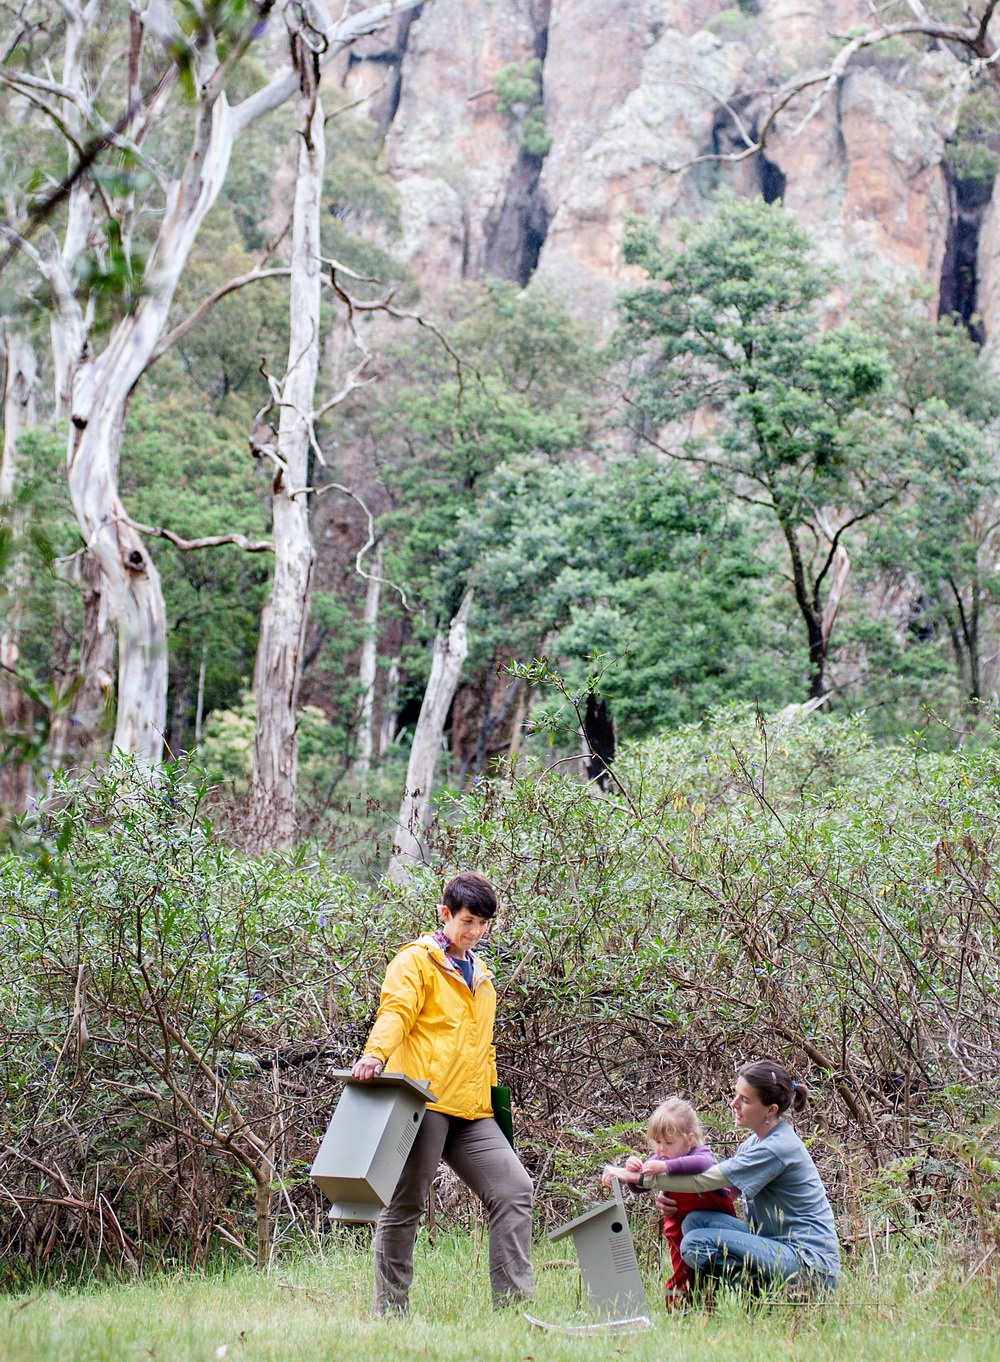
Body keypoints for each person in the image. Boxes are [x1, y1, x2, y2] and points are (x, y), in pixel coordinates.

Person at [351, 871, 535, 1315]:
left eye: (483, 923)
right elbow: (396, 1010)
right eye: (467, 921)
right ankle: (390, 1313)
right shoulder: (416, 961)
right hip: (424, 1102)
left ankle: (514, 1312)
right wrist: (375, 1055)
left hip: (473, 1108)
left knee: (514, 1190)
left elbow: (481, 1046)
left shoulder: (482, 973)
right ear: (445, 914)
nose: (474, 931)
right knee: (406, 1203)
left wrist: (493, 1102)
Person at [606, 1062, 840, 1294]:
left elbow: (703, 1180)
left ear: (771, 1110)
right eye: (736, 1095)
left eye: (745, 1100)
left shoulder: (777, 1148)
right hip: (775, 1246)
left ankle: (764, 1297)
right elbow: (722, 1193)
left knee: (695, 1243)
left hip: (809, 1264)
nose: (734, 1104)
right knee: (695, 1221)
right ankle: (742, 1294)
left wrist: (634, 1176)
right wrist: (668, 1197)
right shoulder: (752, 1143)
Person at [602, 1096, 737, 1305]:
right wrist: (633, 1170)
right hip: (676, 1227)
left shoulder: (700, 1154)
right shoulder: (658, 1159)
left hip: (713, 1225)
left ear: (689, 1140)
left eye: (668, 1143)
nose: (661, 1149)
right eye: (657, 1142)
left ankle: (709, 1307)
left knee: (710, 1274)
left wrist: (665, 1169)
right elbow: (638, 1186)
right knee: (682, 1272)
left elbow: (703, 1164)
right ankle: (679, 1311)